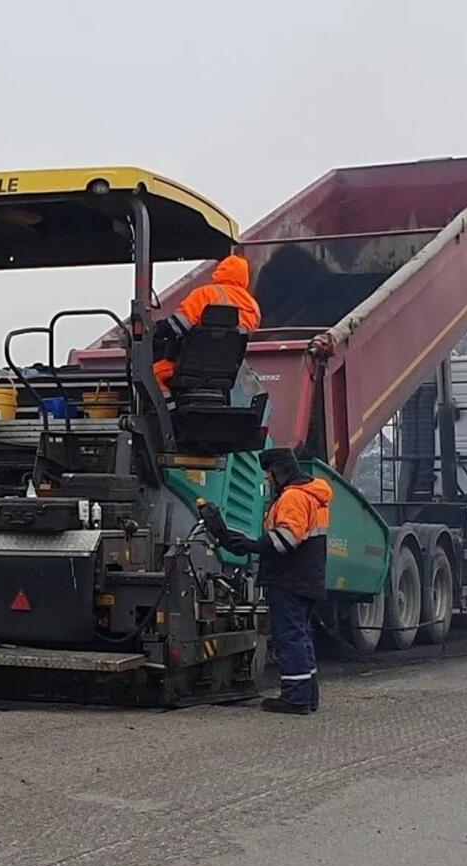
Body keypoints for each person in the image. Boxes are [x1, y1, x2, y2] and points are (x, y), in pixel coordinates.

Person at [199, 447, 332, 715]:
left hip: (290, 580)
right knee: (302, 636)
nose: (268, 479)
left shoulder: (293, 497)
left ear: (279, 471)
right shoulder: (312, 495)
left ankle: (295, 699)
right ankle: (308, 696)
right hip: (307, 578)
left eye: (269, 474)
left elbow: (285, 540)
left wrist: (249, 545)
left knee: (290, 638)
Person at [152, 254, 260, 397]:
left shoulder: (204, 294)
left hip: (190, 367)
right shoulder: (253, 307)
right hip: (225, 371)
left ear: (220, 270)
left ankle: (169, 413)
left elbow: (178, 326)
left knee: (153, 374)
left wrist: (155, 329)